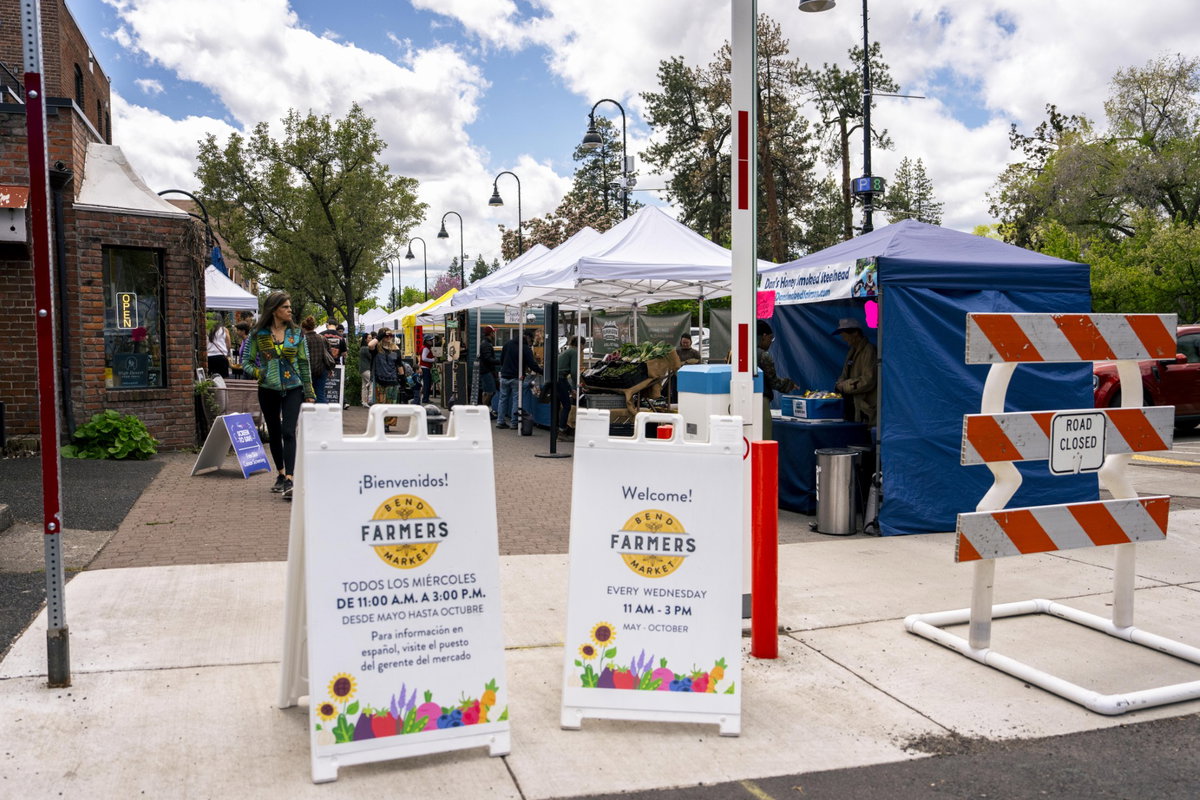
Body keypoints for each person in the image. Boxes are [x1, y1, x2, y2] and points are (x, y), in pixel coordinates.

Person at [241, 292, 315, 501]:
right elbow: (246, 360)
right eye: (286, 307)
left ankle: (291, 479)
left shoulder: (297, 334)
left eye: (290, 307)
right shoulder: (258, 333)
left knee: (288, 431)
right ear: (274, 310)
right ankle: (281, 474)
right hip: (267, 388)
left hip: (293, 387)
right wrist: (259, 373)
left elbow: (304, 363)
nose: (290, 310)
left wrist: (308, 391)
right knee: (274, 432)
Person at [832, 318, 878, 426]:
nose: (843, 338)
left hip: (864, 409)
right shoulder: (852, 351)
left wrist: (844, 386)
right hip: (851, 406)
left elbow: (869, 380)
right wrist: (839, 383)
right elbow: (844, 374)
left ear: (855, 333)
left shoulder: (869, 350)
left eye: (844, 334)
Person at [757, 319, 798, 440]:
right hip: (761, 402)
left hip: (741, 400)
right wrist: (789, 384)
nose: (770, 342)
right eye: (771, 338)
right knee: (764, 439)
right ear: (764, 336)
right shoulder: (763, 355)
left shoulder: (737, 351)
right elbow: (774, 382)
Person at [497, 328, 542, 429]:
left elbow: (501, 359)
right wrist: (542, 371)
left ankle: (500, 421)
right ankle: (514, 423)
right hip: (516, 377)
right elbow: (532, 364)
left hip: (504, 376)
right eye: (531, 340)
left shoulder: (507, 344)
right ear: (527, 337)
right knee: (516, 400)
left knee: (502, 399)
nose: (531, 343)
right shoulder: (525, 348)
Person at [301, 316, 334, 402]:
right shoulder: (322, 338)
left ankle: (307, 414)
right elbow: (329, 354)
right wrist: (330, 369)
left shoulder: (303, 339)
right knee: (320, 394)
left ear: (304, 328)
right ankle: (323, 413)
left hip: (307, 371)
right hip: (322, 370)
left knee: (307, 395)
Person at [368, 328, 403, 406]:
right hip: (380, 382)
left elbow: (399, 365)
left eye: (391, 335)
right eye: (386, 336)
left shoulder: (395, 349)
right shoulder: (376, 349)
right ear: (381, 336)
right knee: (380, 408)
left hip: (393, 382)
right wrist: (382, 335)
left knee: (392, 409)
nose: (389, 337)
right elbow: (370, 345)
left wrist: (402, 380)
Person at [556, 336, 580, 435]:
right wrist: (576, 386)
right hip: (560, 379)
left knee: (558, 405)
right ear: (581, 345)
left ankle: (558, 427)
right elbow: (574, 372)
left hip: (557, 378)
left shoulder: (568, 351)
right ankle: (562, 430)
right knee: (567, 406)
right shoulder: (574, 352)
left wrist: (570, 389)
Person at [478, 325, 499, 415]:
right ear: (491, 333)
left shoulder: (485, 343)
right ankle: (484, 412)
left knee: (486, 391)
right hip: (487, 371)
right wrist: (499, 361)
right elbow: (488, 359)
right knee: (490, 392)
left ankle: (484, 411)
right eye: (494, 332)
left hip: (484, 370)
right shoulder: (486, 344)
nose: (495, 334)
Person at [419, 334, 437, 404]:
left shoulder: (424, 347)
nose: (432, 341)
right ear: (427, 341)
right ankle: (425, 399)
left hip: (424, 368)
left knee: (427, 384)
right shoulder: (426, 348)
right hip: (425, 368)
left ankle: (425, 398)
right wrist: (433, 360)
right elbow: (424, 358)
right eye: (430, 340)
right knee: (427, 384)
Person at [358, 332, 373, 406]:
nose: (371, 339)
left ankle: (364, 401)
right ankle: (370, 399)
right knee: (372, 382)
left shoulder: (362, 348)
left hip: (362, 369)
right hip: (366, 368)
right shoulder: (366, 348)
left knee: (364, 386)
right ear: (366, 339)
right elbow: (371, 357)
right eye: (369, 338)